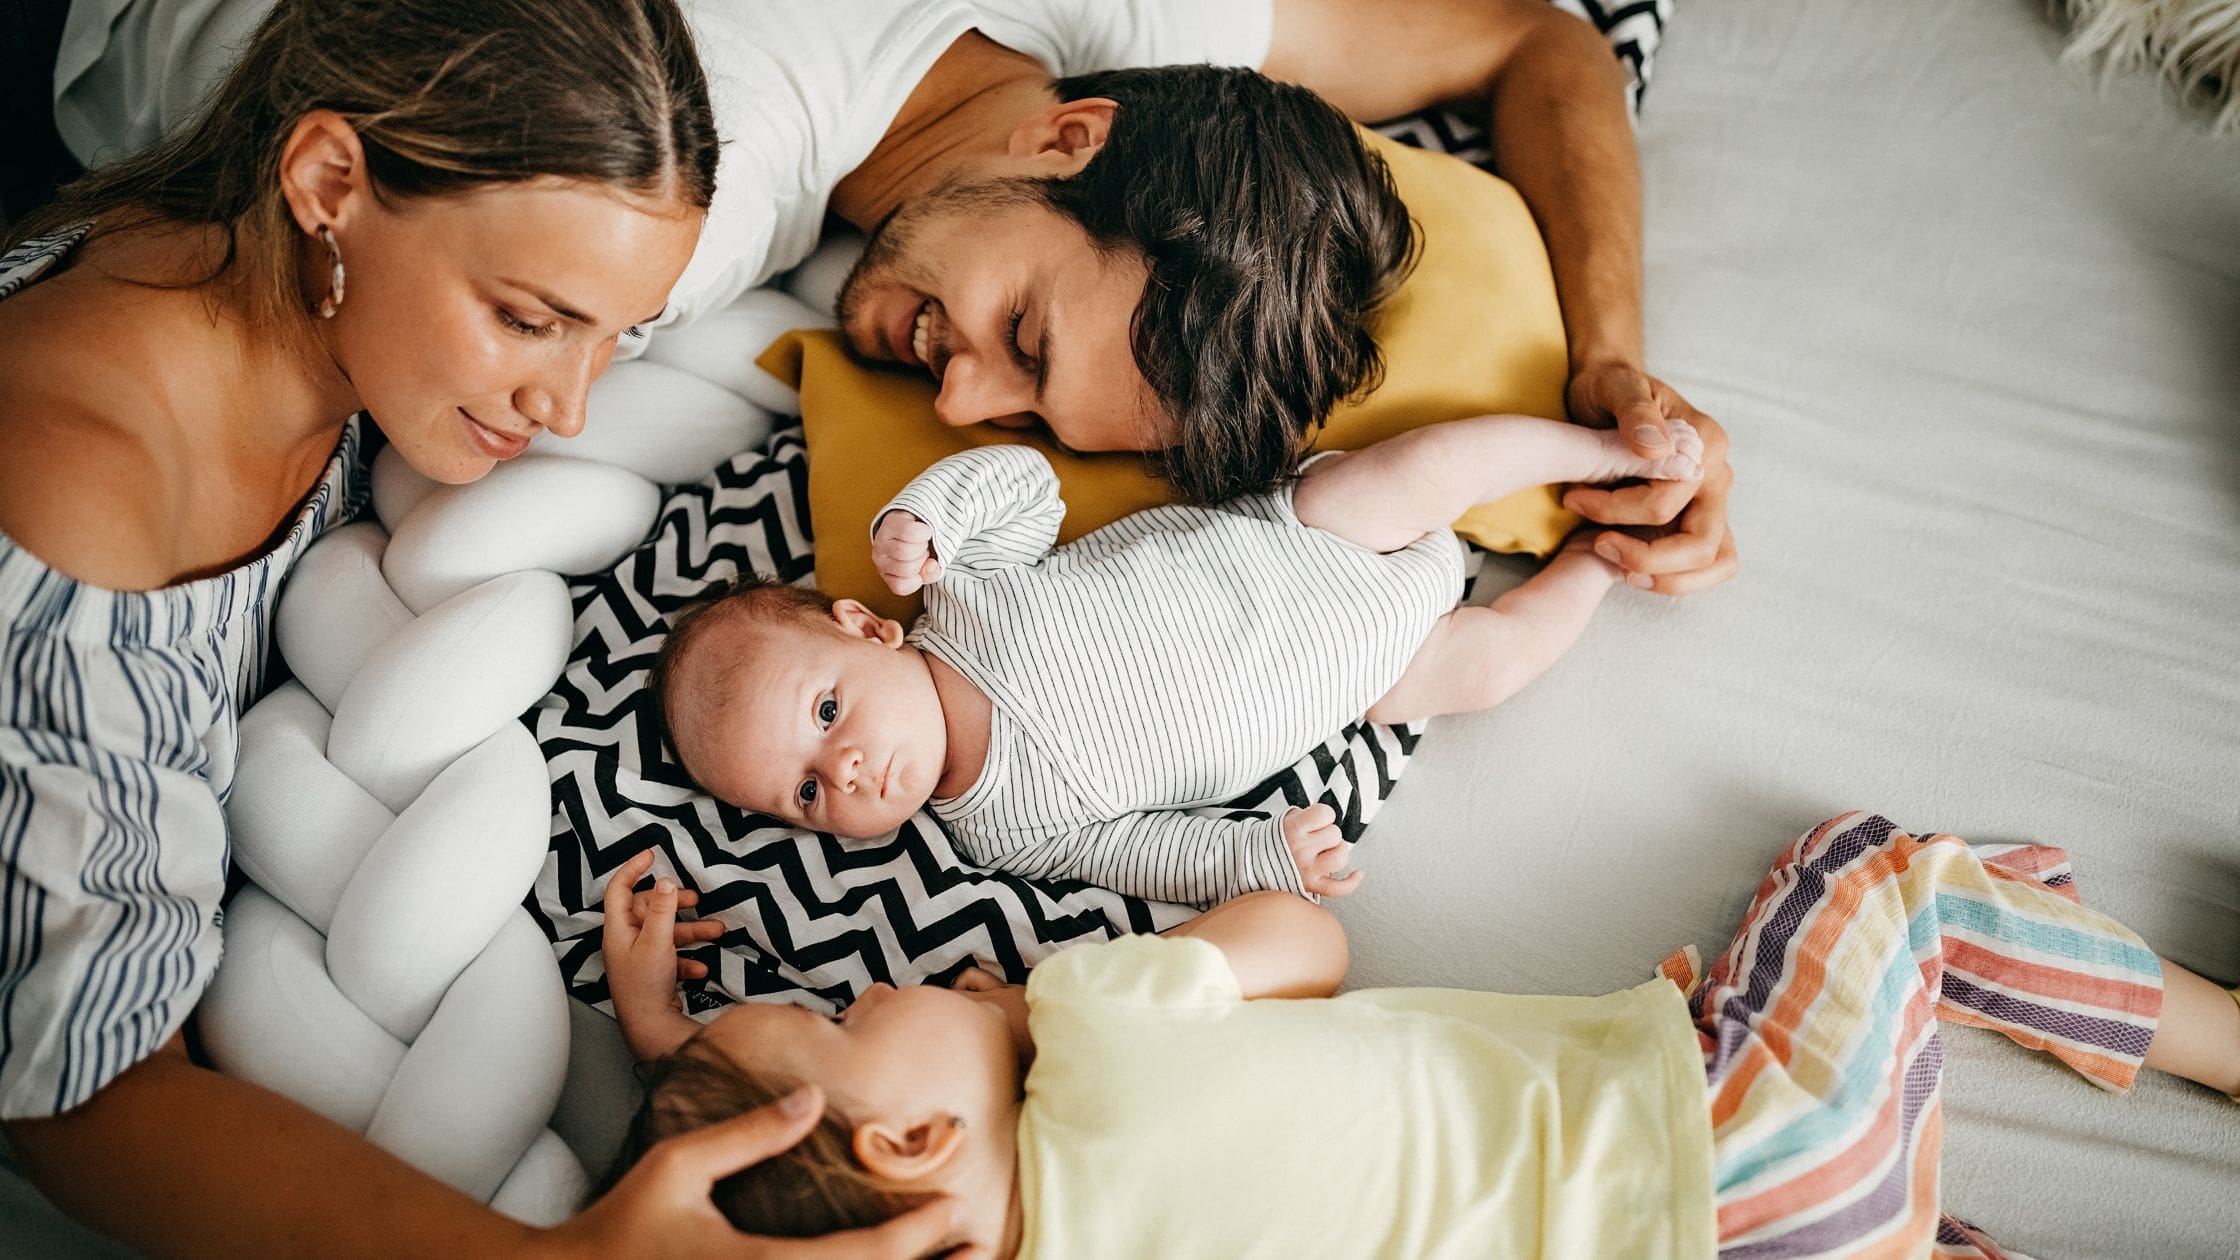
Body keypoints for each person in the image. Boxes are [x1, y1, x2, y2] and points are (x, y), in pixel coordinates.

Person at [0, 1, 973, 1255]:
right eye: (530, 319)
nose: (568, 406)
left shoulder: (294, 293)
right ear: (327, 181)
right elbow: (82, 1090)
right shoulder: (70, 497)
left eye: (615, 335)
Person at [53, 0, 1739, 594]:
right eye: (1021, 338)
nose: (956, 404)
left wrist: (1608, 374)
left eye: (1022, 413)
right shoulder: (679, 193)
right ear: (1075, 136)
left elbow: (1544, 41)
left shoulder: (1134, 44)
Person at [599, 813, 2240, 1258]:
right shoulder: (1096, 1033)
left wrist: (668, 1033)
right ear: (908, 1139)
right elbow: (1305, 944)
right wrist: (1032, 995)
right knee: (1876, 881)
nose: (874, 982)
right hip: (1731, 1145)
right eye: (835, 1012)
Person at [656, 415, 1706, 902]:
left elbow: (1027, 486)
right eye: (801, 794)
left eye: (826, 715)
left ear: (867, 627)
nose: (838, 774)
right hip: (1369, 680)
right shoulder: (1001, 834)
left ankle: (1608, 455)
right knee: (1494, 664)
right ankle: (1603, 562)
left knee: (1432, 463)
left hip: (1310, 536)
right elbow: (1149, 852)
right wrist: (1259, 863)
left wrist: (926, 510)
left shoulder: (960, 593)